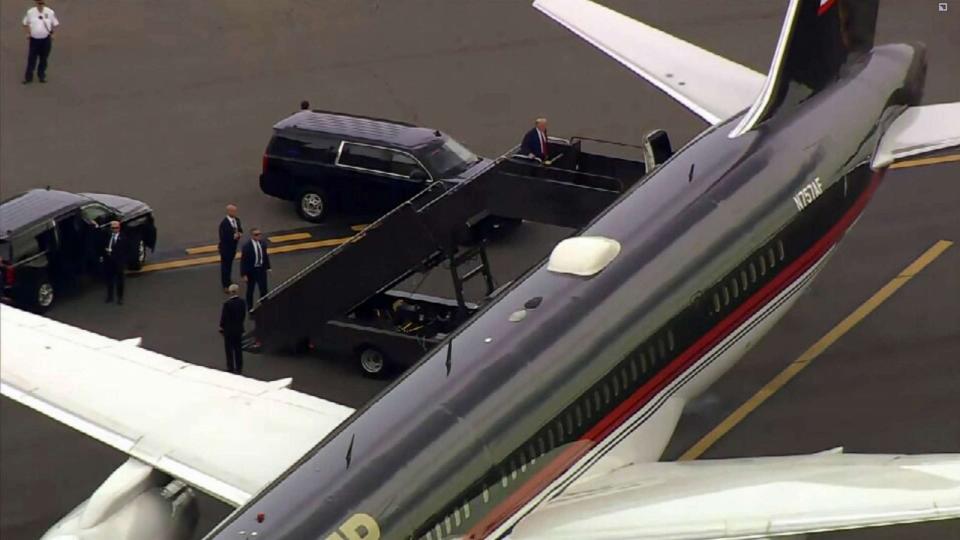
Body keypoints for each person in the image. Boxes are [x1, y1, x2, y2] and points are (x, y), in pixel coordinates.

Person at [22, 0, 59, 84]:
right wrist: (28, 33)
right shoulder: (30, 12)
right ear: (36, 3)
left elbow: (55, 24)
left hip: (46, 40)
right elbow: (25, 23)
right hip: (34, 40)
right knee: (31, 59)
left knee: (44, 59)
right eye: (39, 3)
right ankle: (28, 78)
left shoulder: (50, 12)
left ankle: (41, 76)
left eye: (42, 3)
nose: (41, 5)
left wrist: (53, 34)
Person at [219, 284, 246, 374]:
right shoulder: (242, 302)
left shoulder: (227, 304)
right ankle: (239, 367)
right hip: (238, 329)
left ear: (230, 292)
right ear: (237, 291)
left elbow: (224, 318)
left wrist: (222, 327)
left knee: (229, 350)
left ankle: (230, 367)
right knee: (238, 349)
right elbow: (243, 316)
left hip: (229, 331)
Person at [240, 228, 270, 310]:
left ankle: (264, 304)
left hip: (261, 270)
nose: (258, 236)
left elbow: (265, 256)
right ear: (252, 236)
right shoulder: (247, 247)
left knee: (264, 288)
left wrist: (268, 267)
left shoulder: (263, 244)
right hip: (251, 271)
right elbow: (243, 261)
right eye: (256, 235)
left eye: (259, 234)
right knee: (250, 290)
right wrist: (244, 274)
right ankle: (250, 307)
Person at [101, 221, 128, 305]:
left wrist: (123, 260)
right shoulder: (107, 236)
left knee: (120, 281)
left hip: (118, 262)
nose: (114, 230)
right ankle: (110, 296)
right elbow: (102, 245)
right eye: (113, 228)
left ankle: (120, 297)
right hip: (109, 262)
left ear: (119, 228)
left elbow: (126, 250)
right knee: (109, 280)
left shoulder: (123, 238)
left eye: (116, 228)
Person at [218, 204, 243, 291]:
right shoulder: (224, 224)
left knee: (229, 265)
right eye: (233, 211)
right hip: (225, 249)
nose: (235, 213)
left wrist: (239, 234)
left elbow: (240, 230)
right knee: (225, 267)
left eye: (235, 211)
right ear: (228, 212)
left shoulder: (237, 220)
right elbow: (223, 237)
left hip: (233, 248)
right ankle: (225, 284)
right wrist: (233, 236)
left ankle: (229, 281)